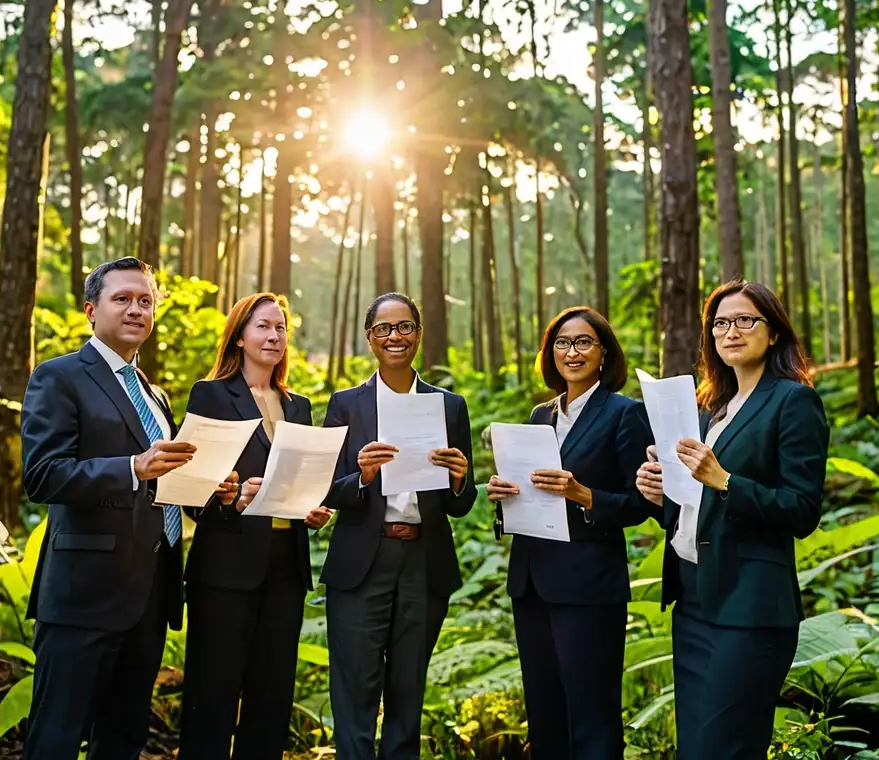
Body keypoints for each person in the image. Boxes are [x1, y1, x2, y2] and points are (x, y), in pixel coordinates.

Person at [20, 257, 237, 760]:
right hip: (84, 594)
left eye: (145, 301)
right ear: (91, 311)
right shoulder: (59, 377)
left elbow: (166, 483)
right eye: (122, 299)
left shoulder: (155, 394)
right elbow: (42, 475)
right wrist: (132, 467)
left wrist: (209, 488)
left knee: (123, 737)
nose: (136, 309)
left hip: (151, 594)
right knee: (56, 734)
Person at [635, 281, 828, 760]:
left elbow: (801, 510)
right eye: (720, 323)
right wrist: (663, 492)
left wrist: (723, 479)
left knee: (724, 748)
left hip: (750, 608)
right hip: (694, 603)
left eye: (746, 320)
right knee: (695, 748)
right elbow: (698, 508)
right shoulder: (709, 411)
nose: (731, 331)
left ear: (775, 333)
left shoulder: (793, 401)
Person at [486, 306, 657, 759]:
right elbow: (526, 492)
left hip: (588, 587)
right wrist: (504, 494)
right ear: (550, 353)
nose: (572, 351)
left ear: (604, 353)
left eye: (584, 342)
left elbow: (640, 504)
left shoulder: (625, 414)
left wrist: (584, 495)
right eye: (562, 342)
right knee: (545, 713)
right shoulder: (539, 415)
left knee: (592, 713)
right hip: (531, 581)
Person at [322, 292, 477, 760]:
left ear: (418, 333)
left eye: (405, 326)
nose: (395, 337)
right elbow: (329, 490)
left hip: (423, 564)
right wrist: (362, 476)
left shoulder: (449, 406)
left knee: (408, 689)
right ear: (370, 338)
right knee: (355, 689)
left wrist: (458, 479)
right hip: (361, 564)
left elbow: (461, 505)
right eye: (384, 329)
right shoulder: (346, 404)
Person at [178, 293, 332, 759]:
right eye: (263, 326)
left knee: (271, 696)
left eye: (281, 328)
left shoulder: (298, 405)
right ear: (240, 336)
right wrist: (231, 497)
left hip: (286, 569)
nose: (273, 336)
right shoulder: (211, 395)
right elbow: (192, 494)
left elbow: (300, 483)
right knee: (213, 694)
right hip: (225, 568)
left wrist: (311, 508)